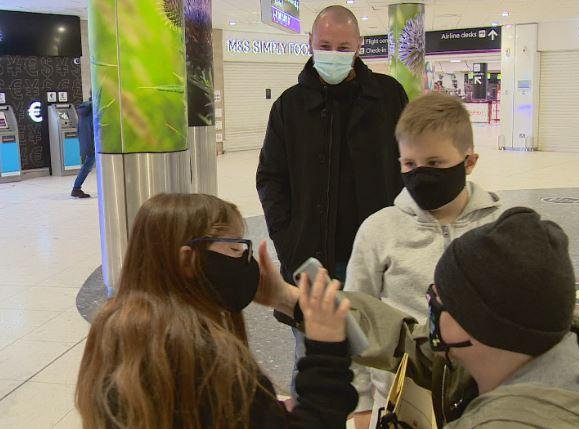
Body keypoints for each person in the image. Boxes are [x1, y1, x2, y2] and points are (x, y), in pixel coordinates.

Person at [272, 207, 579, 428]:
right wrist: (289, 298)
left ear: (481, 323)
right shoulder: (553, 346)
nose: (430, 305)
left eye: (440, 298)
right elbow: (409, 343)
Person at [75, 193, 358, 429]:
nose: (247, 262)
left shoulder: (114, 329)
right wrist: (325, 354)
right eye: (235, 249)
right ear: (188, 260)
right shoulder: (209, 362)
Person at [256, 4, 408, 398]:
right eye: (325, 44)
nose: (334, 53)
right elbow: (271, 179)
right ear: (310, 43)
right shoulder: (289, 107)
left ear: (359, 45)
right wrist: (288, 244)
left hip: (377, 257)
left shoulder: (389, 97)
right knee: (312, 362)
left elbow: (409, 165)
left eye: (344, 46)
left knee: (380, 362)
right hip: (312, 259)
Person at [344, 92, 501, 427]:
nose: (420, 173)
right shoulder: (378, 230)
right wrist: (360, 402)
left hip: (487, 400)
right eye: (409, 164)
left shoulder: (501, 228)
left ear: (469, 162)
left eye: (435, 163)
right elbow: (355, 319)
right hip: (402, 401)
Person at [71, 96, 95, 198]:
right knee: (88, 165)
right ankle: (76, 188)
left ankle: (76, 188)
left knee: (87, 165)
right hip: (93, 142)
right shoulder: (93, 108)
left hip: (86, 141)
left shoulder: (85, 108)